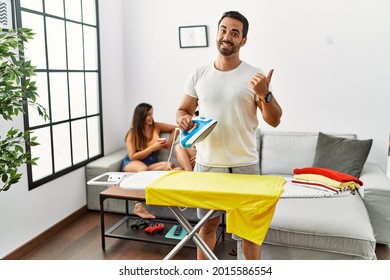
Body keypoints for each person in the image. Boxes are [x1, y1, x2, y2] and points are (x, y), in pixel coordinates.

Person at [176, 11, 282, 260]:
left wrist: (265, 94)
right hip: (208, 165)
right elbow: (183, 109)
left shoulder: (254, 76)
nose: (227, 36)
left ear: (243, 41)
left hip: (245, 167)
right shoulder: (199, 74)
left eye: (235, 33)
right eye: (223, 30)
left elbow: (274, 120)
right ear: (217, 33)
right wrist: (182, 118)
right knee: (207, 228)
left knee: (248, 234)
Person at [122, 103, 177, 219]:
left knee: (170, 165)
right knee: (143, 169)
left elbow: (175, 128)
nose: (151, 117)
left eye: (152, 114)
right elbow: (133, 156)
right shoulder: (132, 134)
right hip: (133, 162)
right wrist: (152, 148)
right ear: (140, 116)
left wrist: (169, 143)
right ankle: (138, 206)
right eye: (148, 115)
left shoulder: (156, 126)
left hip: (150, 163)